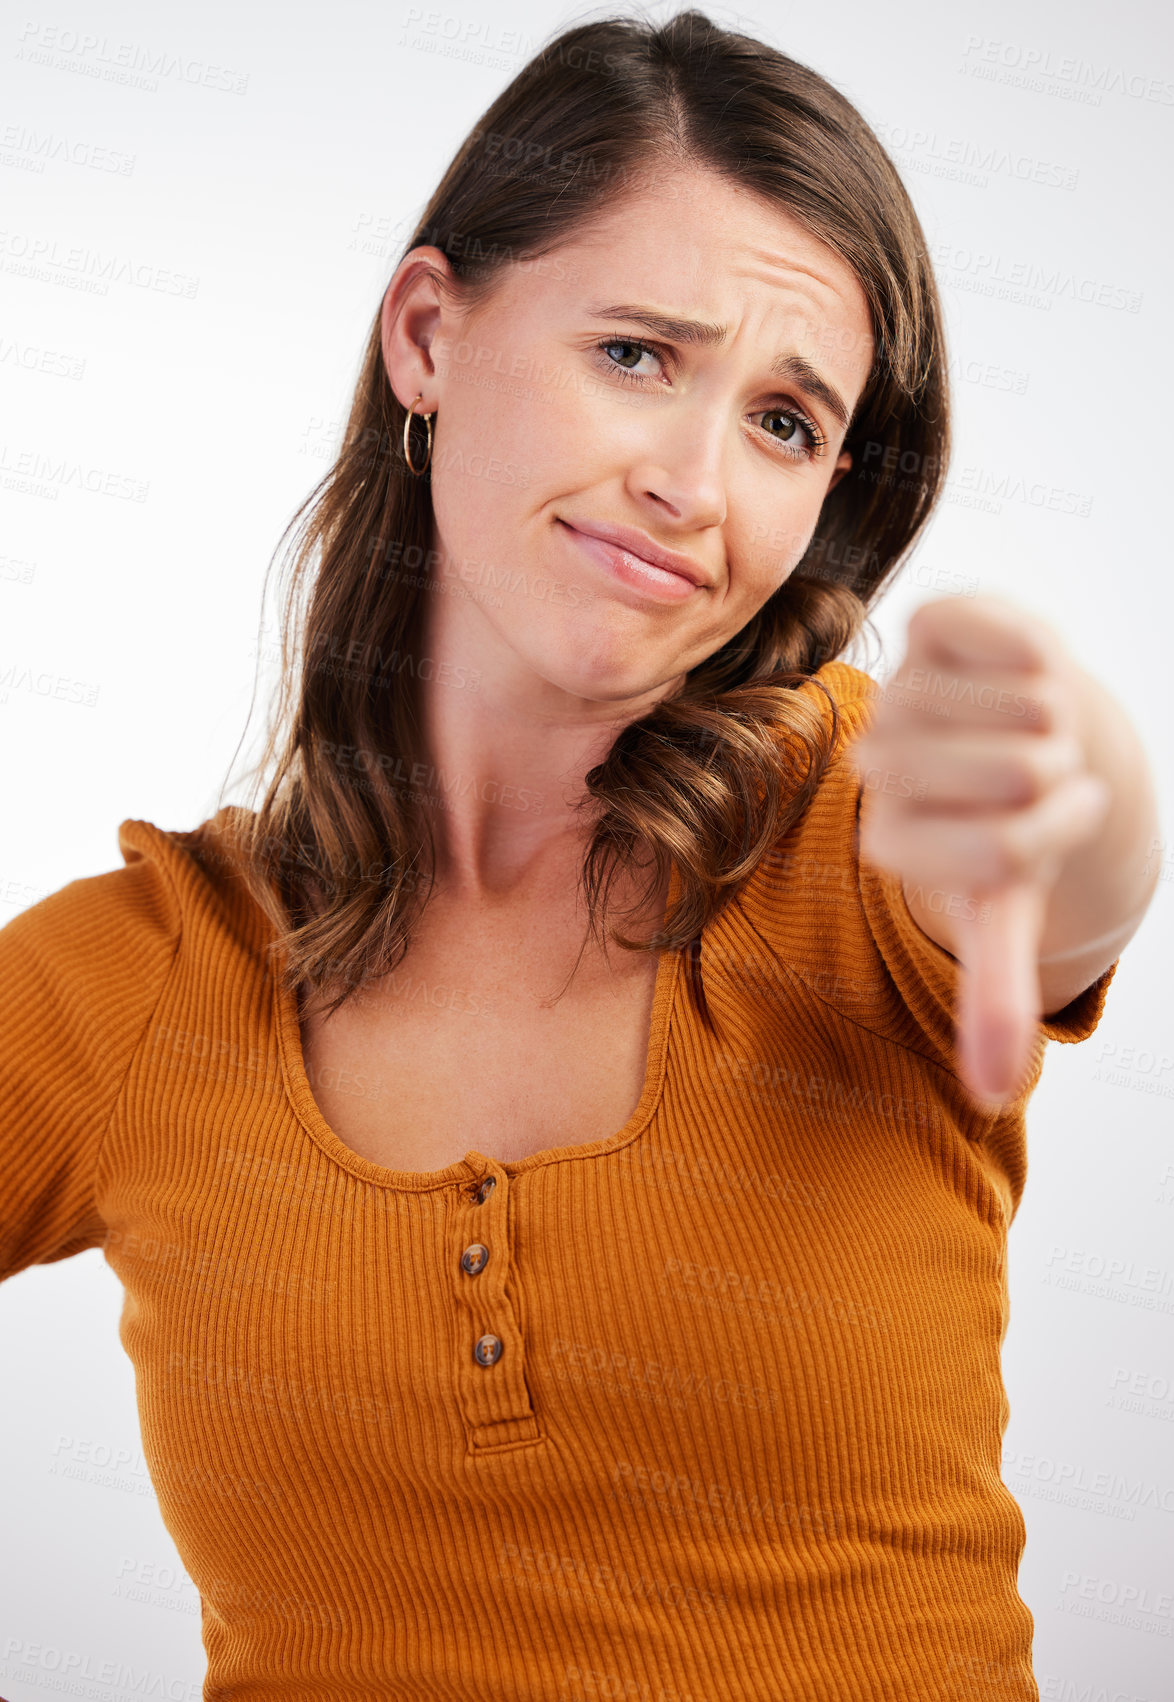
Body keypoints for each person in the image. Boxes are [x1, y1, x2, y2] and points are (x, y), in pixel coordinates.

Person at [1, 9, 1159, 1698]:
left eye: (781, 422)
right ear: (427, 331)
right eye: (636, 354)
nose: (693, 480)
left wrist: (1092, 793)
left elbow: (1061, 882)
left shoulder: (850, 838)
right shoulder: (144, 979)